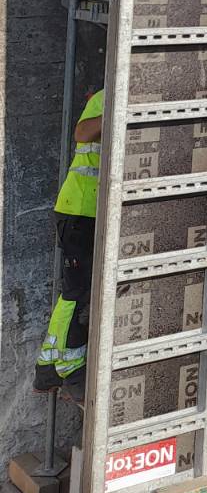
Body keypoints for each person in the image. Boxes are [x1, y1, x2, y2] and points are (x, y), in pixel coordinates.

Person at [34, 88, 104, 397]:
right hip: (79, 210)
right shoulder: (106, 95)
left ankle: (48, 369)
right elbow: (82, 132)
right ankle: (70, 372)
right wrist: (116, 106)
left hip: (89, 211)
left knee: (76, 292)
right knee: (77, 293)